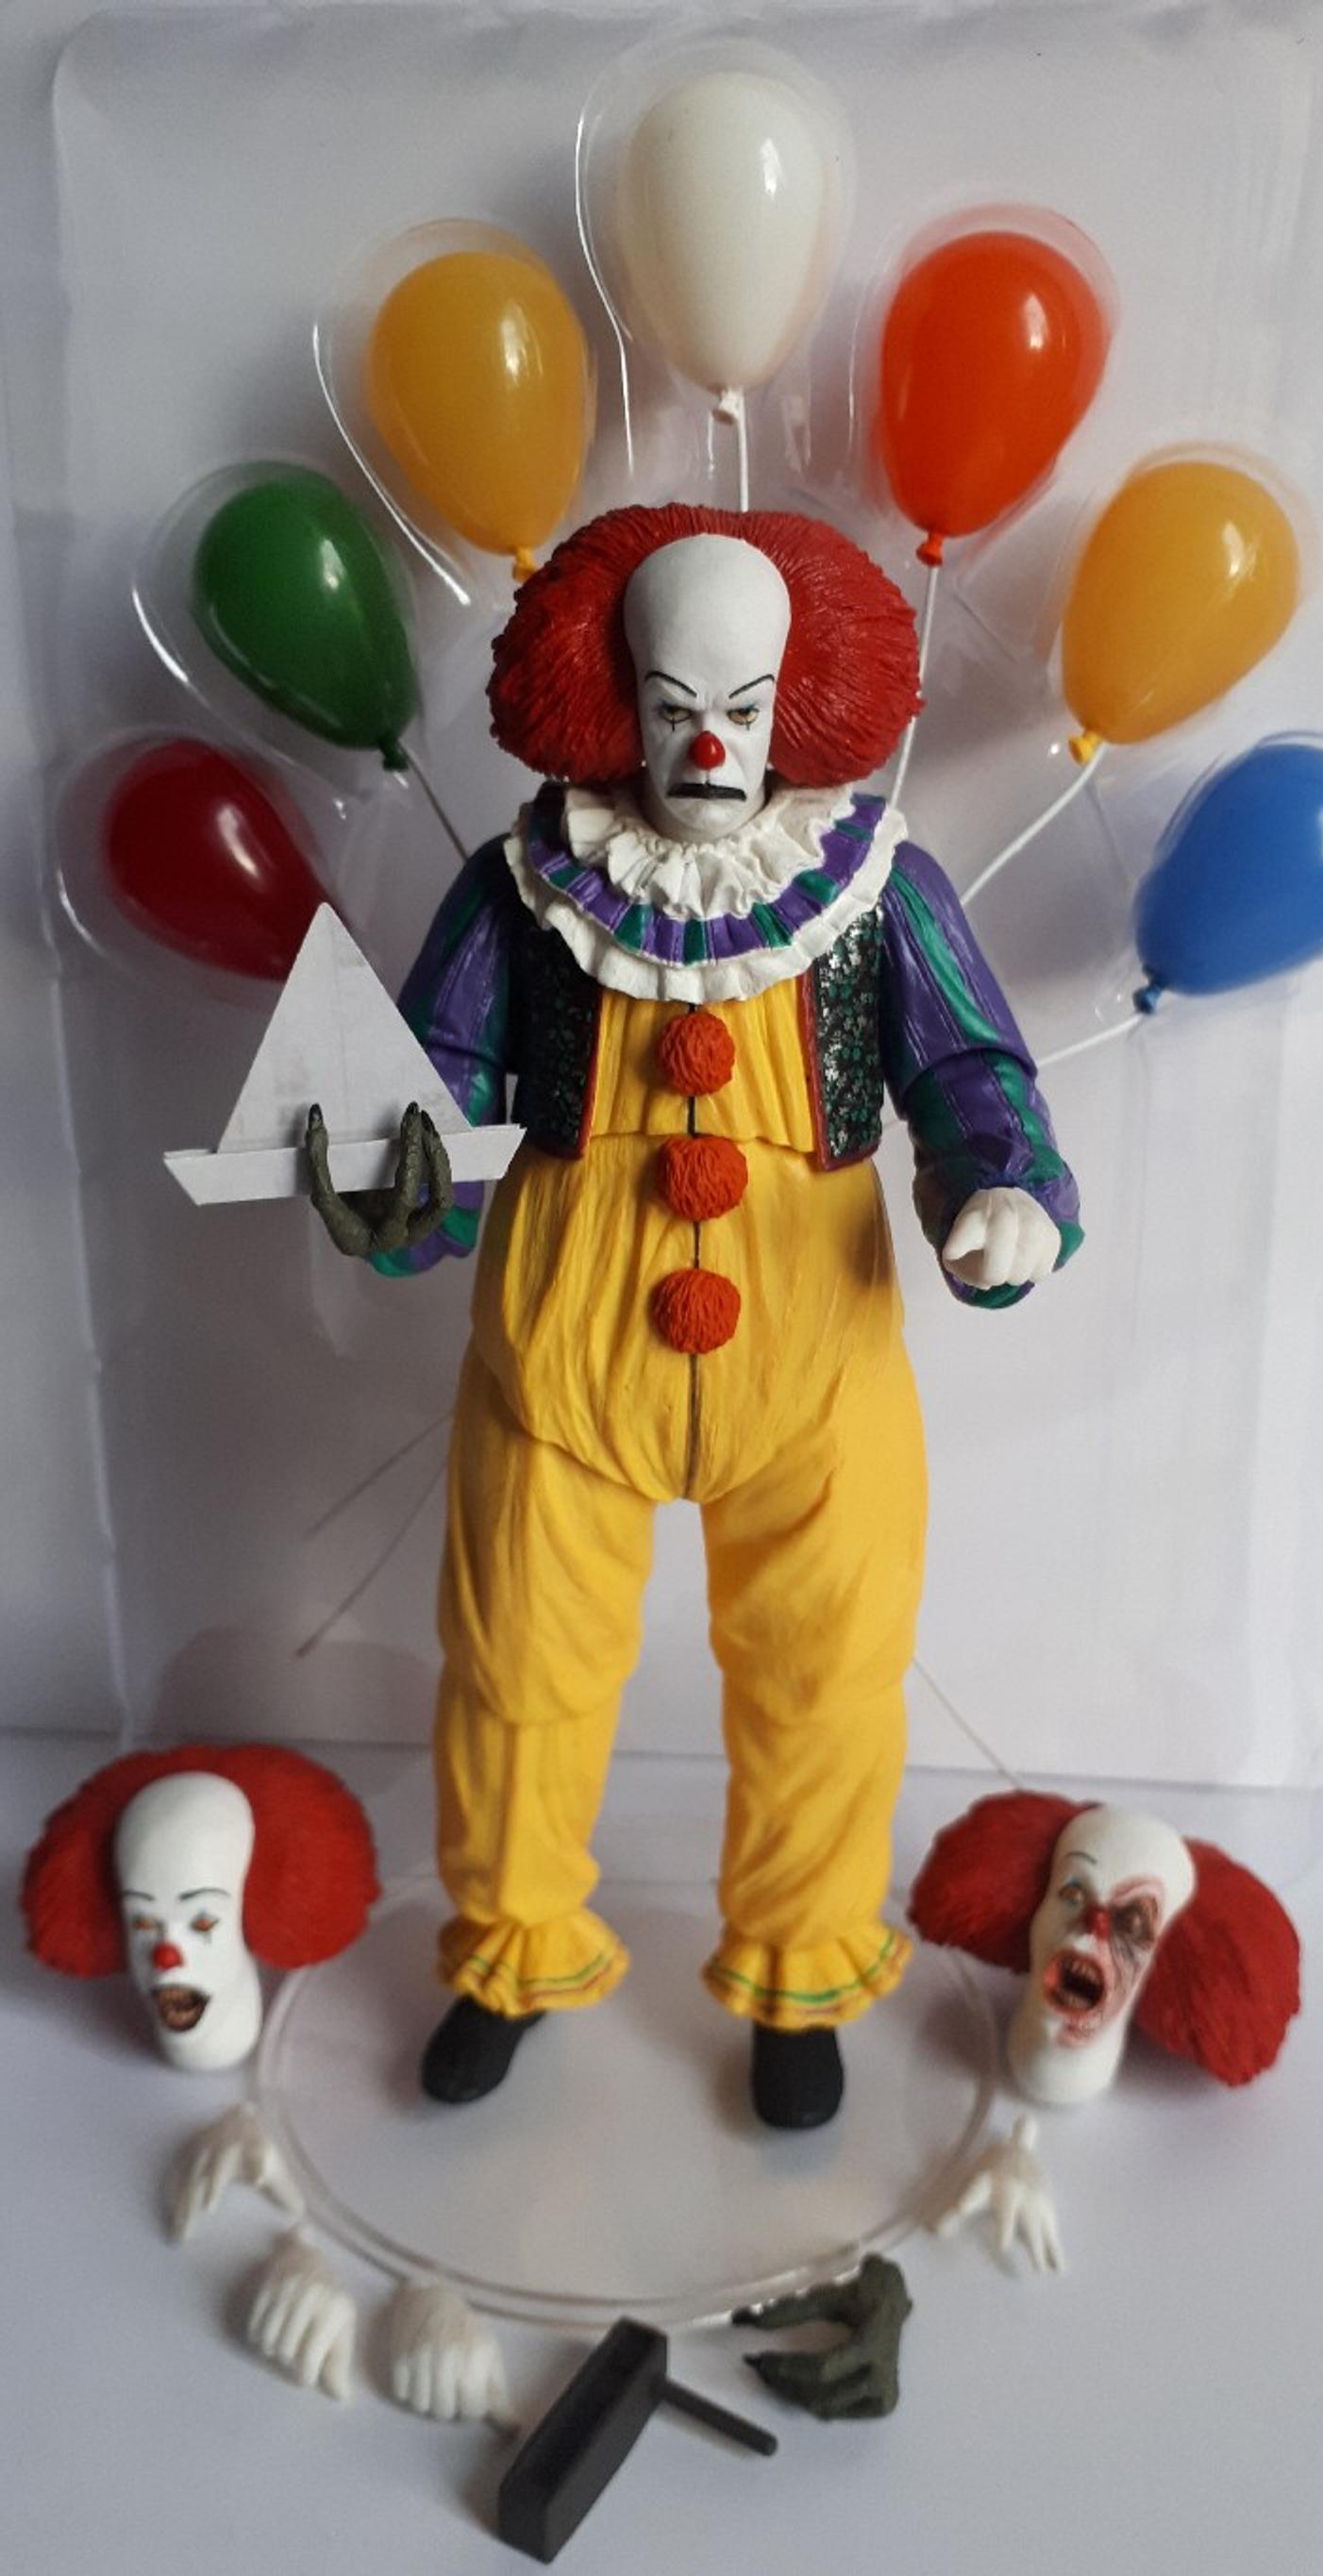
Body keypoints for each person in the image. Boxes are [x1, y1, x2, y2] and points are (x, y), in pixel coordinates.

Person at [309, 503, 1081, 2129]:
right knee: (515, 1667)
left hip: (819, 1367)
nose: (708, 746)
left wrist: (1002, 1189)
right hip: (554, 1360)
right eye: (673, 708)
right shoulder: (522, 887)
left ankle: (802, 1959)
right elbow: (434, 1084)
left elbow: (969, 1070)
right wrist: (393, 1188)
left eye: (740, 707)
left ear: (802, 701)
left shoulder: (881, 888)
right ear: (618, 702)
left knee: (830, 1677)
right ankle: (508, 1949)